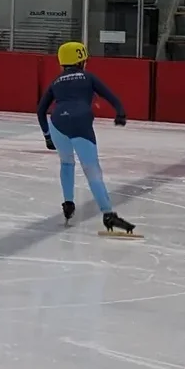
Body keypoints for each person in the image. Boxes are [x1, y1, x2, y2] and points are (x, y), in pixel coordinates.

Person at [37, 41, 137, 236]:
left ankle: (68, 204)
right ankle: (108, 213)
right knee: (91, 169)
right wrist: (120, 113)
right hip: (81, 122)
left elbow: (41, 110)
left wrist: (47, 136)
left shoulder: (55, 81)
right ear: (82, 61)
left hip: (57, 123)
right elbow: (111, 96)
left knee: (66, 163)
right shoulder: (87, 76)